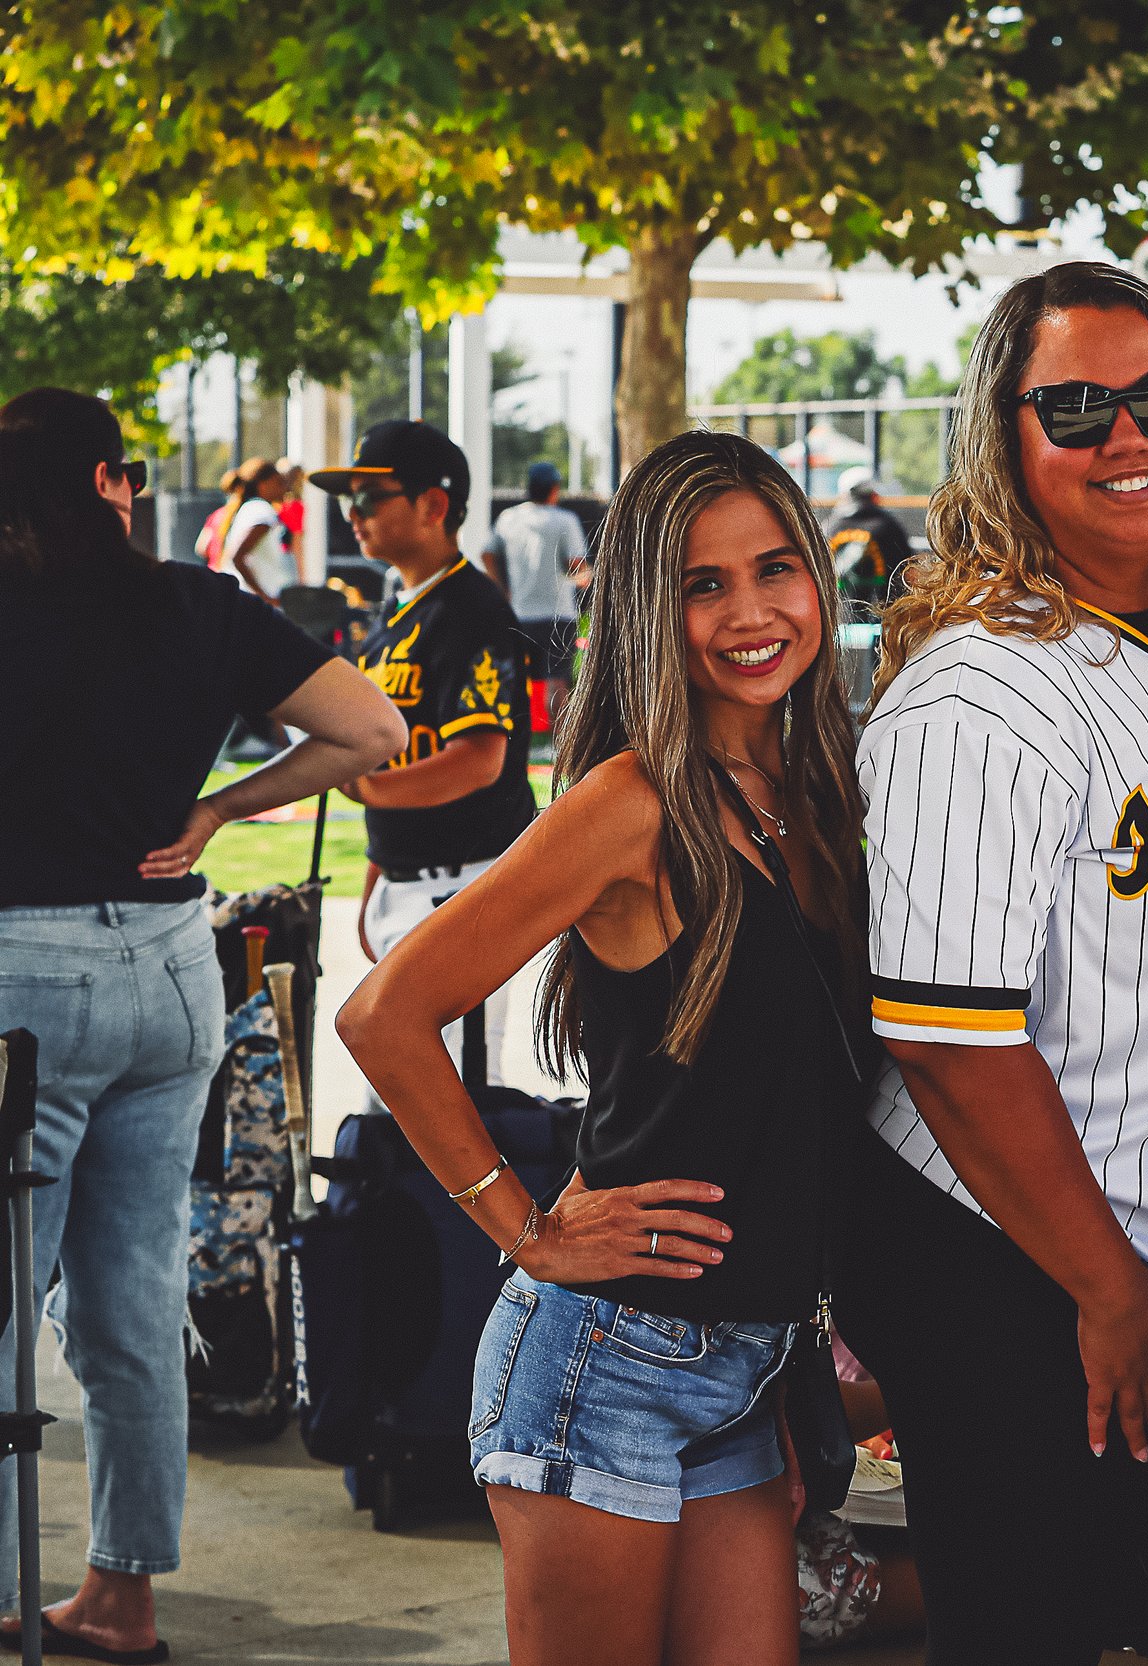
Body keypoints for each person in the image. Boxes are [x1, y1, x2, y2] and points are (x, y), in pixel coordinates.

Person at [835, 260, 1148, 1664]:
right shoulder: (980, 694)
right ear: (1003, 438)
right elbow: (947, 1037)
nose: (1127, 436)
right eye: (1074, 408)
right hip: (1017, 1262)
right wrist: (1108, 1289)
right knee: (1033, 1628)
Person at [338, 429, 875, 1666]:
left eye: (776, 567)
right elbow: (384, 1014)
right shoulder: (631, 803)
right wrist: (521, 1223)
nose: (751, 611)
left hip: (747, 1360)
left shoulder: (819, 789)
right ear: (645, 605)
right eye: (702, 584)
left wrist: (790, 1359)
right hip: (605, 1363)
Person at [0, 387, 403, 1663]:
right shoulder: (197, 601)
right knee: (130, 1301)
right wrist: (223, 810)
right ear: (115, 482)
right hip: (174, 970)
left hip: (22, 978)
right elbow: (374, 730)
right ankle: (122, 1594)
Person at [313, 421, 538, 1085]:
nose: (352, 516)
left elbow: (479, 759)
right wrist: (379, 874)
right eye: (347, 501)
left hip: (461, 884)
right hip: (411, 881)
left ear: (433, 505)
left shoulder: (471, 609)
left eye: (369, 499)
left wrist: (368, 790)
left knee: (452, 1100)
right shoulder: (398, 608)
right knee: (400, 1098)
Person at [484, 460, 592, 732]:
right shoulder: (565, 521)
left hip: (518, 614)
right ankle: (563, 751)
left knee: (516, 684)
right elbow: (576, 566)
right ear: (554, 489)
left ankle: (514, 746)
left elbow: (487, 553)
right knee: (557, 684)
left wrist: (502, 588)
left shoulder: (509, 518)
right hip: (559, 614)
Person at [204, 457, 295, 600]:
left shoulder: (249, 508)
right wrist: (264, 597)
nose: (285, 488)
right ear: (263, 485)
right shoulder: (261, 510)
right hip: (254, 605)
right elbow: (237, 556)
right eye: (279, 482)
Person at [823, 466, 909, 609]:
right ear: (874, 496)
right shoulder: (889, 527)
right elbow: (906, 570)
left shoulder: (829, 527)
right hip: (881, 618)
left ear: (844, 495)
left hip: (838, 618)